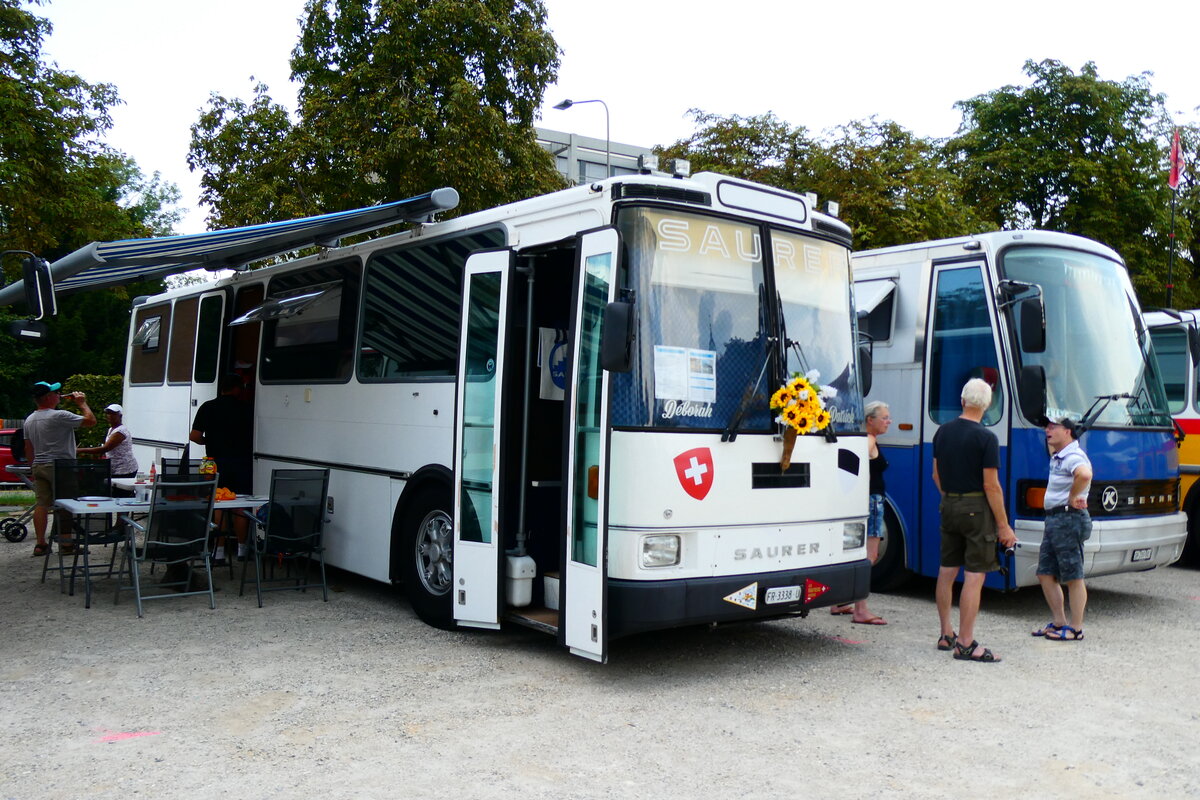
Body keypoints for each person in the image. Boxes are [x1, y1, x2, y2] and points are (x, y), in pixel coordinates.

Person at [931, 377, 1017, 663]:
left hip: (949, 503)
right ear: (988, 406)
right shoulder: (986, 438)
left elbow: (936, 474)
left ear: (962, 400)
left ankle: (946, 633)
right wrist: (1003, 525)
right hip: (977, 508)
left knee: (946, 571)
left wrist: (951, 499)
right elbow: (991, 485)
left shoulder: (942, 431)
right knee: (974, 575)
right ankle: (966, 643)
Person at [1031, 417, 1092, 642]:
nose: (1047, 430)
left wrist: (1073, 496)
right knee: (1045, 572)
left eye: (1052, 427)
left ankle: (1076, 628)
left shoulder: (1073, 456)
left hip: (1069, 518)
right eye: (1046, 427)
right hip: (1055, 519)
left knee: (1073, 575)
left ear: (1067, 431)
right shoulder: (1059, 455)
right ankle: (1059, 622)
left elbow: (1084, 474)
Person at [831, 400, 891, 624]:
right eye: (884, 418)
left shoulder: (859, 439)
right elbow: (857, 466)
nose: (888, 421)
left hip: (862, 499)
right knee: (870, 555)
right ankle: (861, 609)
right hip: (872, 500)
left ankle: (839, 602)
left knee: (851, 552)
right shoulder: (869, 440)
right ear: (869, 420)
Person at [23, 381, 96, 557]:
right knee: (66, 504)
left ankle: (40, 544)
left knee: (41, 504)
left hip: (39, 465)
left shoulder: (30, 419)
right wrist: (82, 403)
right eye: (56, 393)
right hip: (61, 466)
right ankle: (66, 545)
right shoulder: (59, 416)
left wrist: (33, 467)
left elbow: (28, 447)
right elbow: (91, 421)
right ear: (48, 397)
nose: (59, 395)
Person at [190, 373, 254, 560]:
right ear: (237, 388)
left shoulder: (208, 407)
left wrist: (209, 441)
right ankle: (242, 550)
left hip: (216, 463)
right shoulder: (246, 408)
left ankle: (218, 552)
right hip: (241, 462)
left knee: (219, 506)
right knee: (240, 506)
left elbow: (194, 436)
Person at [77, 404, 138, 478]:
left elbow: (105, 448)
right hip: (114, 468)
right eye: (108, 413)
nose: (110, 416)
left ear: (120, 416)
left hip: (124, 469)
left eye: (113, 414)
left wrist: (79, 450)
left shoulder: (120, 432)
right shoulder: (111, 429)